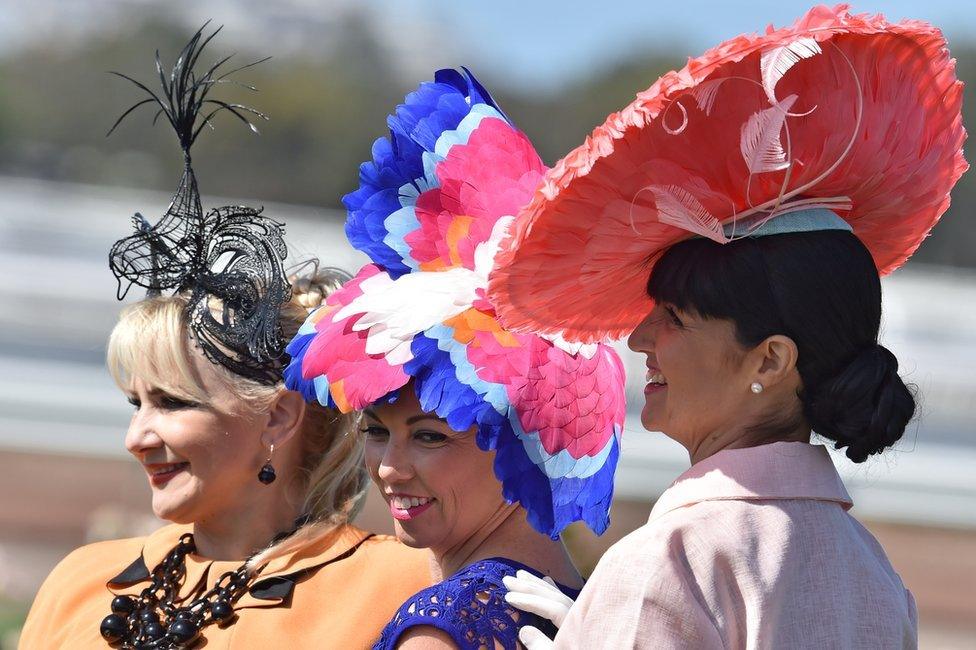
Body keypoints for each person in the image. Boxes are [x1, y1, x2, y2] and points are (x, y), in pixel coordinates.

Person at [489, 5, 966, 648]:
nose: (639, 338)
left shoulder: (675, 560)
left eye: (676, 318)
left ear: (769, 362)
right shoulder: (873, 573)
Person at [19, 26, 430, 649]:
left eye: (173, 402)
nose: (137, 438)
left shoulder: (398, 587)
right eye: (137, 403)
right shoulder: (81, 581)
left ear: (279, 418)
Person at [283, 68, 628, 649]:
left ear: (522, 438)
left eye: (430, 436)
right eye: (375, 430)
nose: (389, 467)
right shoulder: (592, 613)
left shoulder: (449, 621)